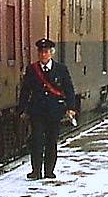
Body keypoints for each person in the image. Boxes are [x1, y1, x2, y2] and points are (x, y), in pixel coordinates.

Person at [18, 38, 79, 179]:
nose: (43, 55)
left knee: (51, 142)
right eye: (41, 52)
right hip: (37, 111)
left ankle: (49, 171)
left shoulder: (61, 69)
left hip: (54, 111)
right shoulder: (32, 70)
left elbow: (69, 89)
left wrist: (71, 107)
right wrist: (22, 109)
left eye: (46, 52)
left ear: (51, 53)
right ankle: (36, 171)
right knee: (37, 141)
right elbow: (25, 91)